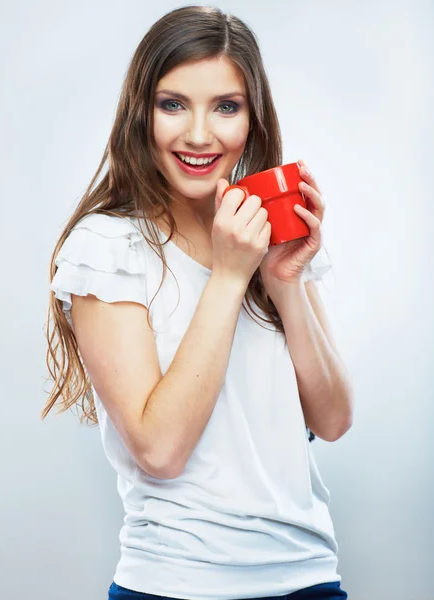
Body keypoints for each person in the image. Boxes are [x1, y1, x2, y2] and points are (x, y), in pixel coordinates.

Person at [43, 6, 354, 600]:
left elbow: (334, 420)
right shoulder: (109, 247)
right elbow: (160, 449)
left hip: (309, 576)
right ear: (142, 112)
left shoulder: (270, 233)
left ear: (252, 118)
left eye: (226, 106)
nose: (199, 135)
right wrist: (230, 275)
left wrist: (283, 280)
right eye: (174, 103)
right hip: (176, 584)